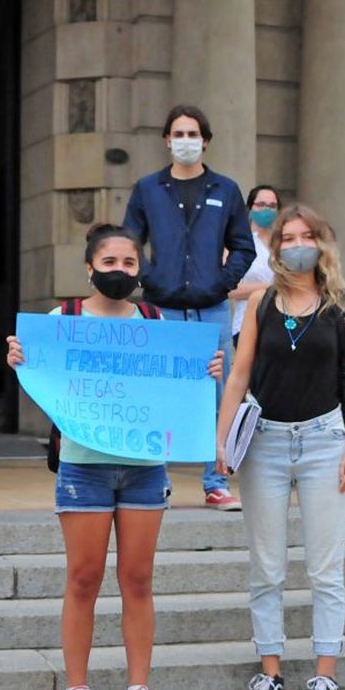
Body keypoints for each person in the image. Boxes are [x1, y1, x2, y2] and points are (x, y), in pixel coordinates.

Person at [5, 224, 222, 690]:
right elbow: (44, 376)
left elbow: (176, 384)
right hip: (85, 466)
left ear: (139, 269)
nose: (119, 272)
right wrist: (22, 360)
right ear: (89, 267)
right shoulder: (66, 319)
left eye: (128, 263)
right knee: (83, 579)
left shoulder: (155, 320)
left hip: (145, 468)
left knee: (138, 579)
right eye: (110, 263)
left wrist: (203, 370)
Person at [215, 204, 345, 690]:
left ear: (322, 243)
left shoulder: (340, 303)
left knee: (326, 567)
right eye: (288, 237)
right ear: (275, 247)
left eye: (307, 236)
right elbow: (239, 373)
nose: (297, 244)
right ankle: (270, 669)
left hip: (325, 437)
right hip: (266, 443)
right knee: (267, 564)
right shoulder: (260, 302)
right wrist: (222, 440)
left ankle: (325, 673)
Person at [124, 104, 256, 511]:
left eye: (192, 134)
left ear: (206, 141)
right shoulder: (148, 189)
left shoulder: (225, 190)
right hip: (162, 309)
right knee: (159, 391)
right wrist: (149, 277)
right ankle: (156, 480)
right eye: (178, 134)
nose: (185, 142)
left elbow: (243, 246)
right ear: (167, 140)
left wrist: (221, 281)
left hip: (211, 309)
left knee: (218, 394)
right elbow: (129, 243)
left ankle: (216, 481)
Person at [227, 184, 280, 346]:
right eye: (261, 204)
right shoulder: (237, 243)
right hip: (247, 322)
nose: (267, 210)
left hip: (284, 322)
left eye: (272, 206)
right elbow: (229, 289)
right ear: (250, 208)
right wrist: (272, 287)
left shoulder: (284, 243)